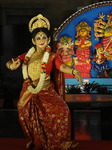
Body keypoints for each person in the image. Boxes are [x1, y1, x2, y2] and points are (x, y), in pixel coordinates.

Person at [6, 14, 83, 150]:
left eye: (44, 37)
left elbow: (61, 66)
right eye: (38, 37)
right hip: (30, 89)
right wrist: (11, 65)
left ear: (48, 40)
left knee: (63, 110)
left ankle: (61, 142)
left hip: (47, 89)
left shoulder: (52, 56)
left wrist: (73, 71)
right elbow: (12, 61)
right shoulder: (28, 55)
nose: (41, 40)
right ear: (33, 40)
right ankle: (35, 140)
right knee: (24, 112)